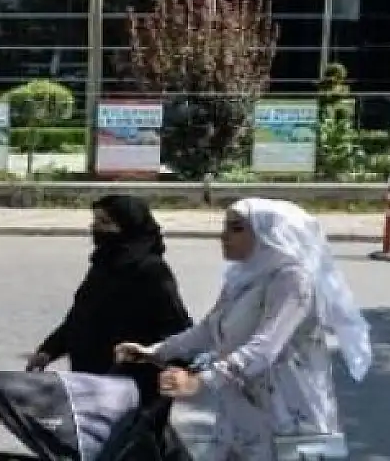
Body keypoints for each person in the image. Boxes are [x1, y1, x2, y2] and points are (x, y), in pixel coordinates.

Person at [116, 198, 372, 461]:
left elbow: (265, 347)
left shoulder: (292, 279)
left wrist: (199, 381)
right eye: (225, 227)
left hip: (284, 409)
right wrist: (156, 352)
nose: (224, 236)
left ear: (268, 234)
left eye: (237, 228)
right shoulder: (242, 276)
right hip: (241, 405)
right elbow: (209, 329)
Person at [26, 194, 194, 457]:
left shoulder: (151, 271)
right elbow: (80, 315)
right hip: (92, 379)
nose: (96, 229)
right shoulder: (103, 264)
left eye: (105, 223)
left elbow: (177, 326)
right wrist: (49, 350)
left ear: (128, 227)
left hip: (131, 383)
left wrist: (166, 368)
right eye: (95, 222)